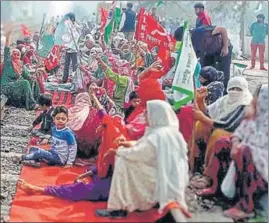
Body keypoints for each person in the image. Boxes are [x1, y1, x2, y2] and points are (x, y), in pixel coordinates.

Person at [95, 100, 190, 222]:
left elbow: (140, 153)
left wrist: (116, 151)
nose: (145, 115)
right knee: (123, 152)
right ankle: (124, 203)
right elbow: (145, 147)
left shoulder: (159, 134)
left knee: (123, 160)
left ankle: (119, 207)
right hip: (166, 174)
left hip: (160, 177)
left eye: (147, 113)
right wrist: (127, 144)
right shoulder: (167, 132)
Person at [189, 76, 253, 174]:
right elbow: (208, 113)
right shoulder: (225, 100)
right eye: (232, 88)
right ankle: (196, 162)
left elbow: (228, 125)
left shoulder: (246, 104)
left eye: (238, 89)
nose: (234, 91)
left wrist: (202, 118)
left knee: (218, 134)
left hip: (239, 136)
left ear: (245, 89)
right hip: (221, 128)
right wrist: (200, 100)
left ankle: (209, 171)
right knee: (199, 125)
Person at [223, 84, 268, 220]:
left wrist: (243, 149)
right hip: (244, 157)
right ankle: (214, 186)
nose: (253, 100)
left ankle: (246, 206)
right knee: (223, 143)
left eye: (257, 98)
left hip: (262, 170)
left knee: (246, 152)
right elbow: (238, 133)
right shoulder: (254, 118)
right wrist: (236, 144)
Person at [1, 25, 40, 110]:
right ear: (11, 55)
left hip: (15, 86)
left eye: (18, 54)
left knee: (33, 80)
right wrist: (8, 36)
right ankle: (31, 104)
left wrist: (32, 77)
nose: (16, 56)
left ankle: (37, 100)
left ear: (20, 55)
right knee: (25, 82)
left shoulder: (20, 64)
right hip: (6, 87)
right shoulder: (8, 62)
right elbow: (6, 49)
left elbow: (26, 75)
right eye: (14, 54)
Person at [62, 13, 81, 83]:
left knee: (74, 66)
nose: (72, 19)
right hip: (68, 49)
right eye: (71, 18)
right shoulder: (67, 24)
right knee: (66, 65)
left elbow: (79, 30)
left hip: (74, 50)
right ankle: (64, 79)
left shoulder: (75, 25)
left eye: (72, 18)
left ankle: (75, 80)